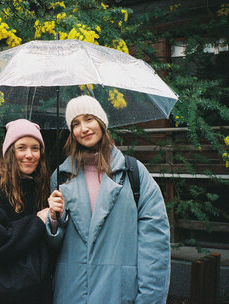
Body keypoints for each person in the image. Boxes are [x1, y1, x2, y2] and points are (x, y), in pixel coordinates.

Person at [50, 95, 170, 304]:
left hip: (119, 292)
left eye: (89, 119)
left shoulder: (134, 173)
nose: (83, 128)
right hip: (71, 292)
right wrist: (52, 221)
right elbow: (51, 248)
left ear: (102, 122)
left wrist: (150, 299)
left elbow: (155, 244)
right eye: (75, 123)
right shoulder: (60, 177)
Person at [0, 118, 65, 304]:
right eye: (22, 148)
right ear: (10, 152)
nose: (29, 154)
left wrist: (52, 218)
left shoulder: (41, 187)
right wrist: (36, 221)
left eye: (35, 148)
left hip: (35, 295)